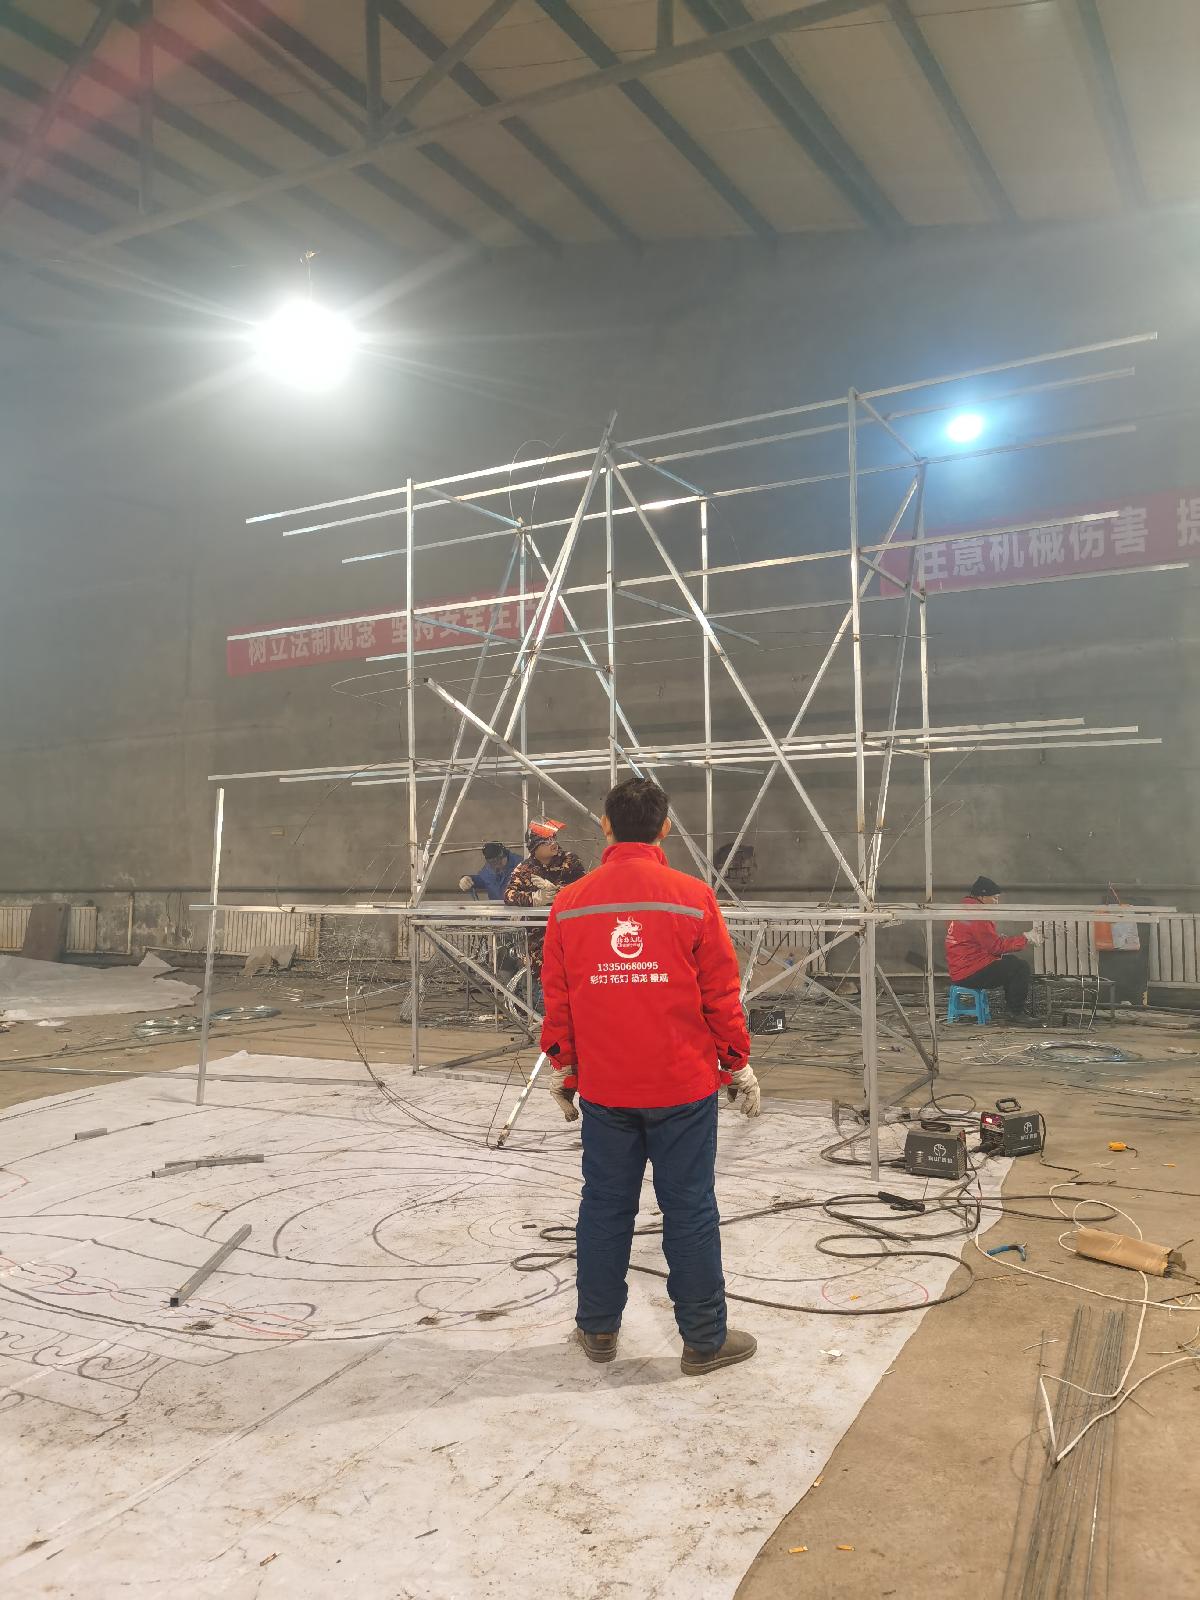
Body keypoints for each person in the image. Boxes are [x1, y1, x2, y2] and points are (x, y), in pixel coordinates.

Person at [539, 777, 761, 1377]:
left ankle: (598, 1330)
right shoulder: (692, 897)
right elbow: (720, 993)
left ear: (605, 826)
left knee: (604, 1207)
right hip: (681, 1086)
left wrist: (564, 1063)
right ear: (665, 828)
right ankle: (704, 1341)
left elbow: (559, 997)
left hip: (606, 1088)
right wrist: (735, 1060)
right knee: (689, 1209)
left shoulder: (570, 902)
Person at [945, 875, 1041, 1021]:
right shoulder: (978, 914)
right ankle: (1016, 1013)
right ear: (982, 896)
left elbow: (973, 940)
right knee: (1020, 967)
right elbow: (995, 947)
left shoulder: (963, 909)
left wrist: (998, 940)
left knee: (1010, 963)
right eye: (995, 898)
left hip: (959, 968)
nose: (997, 902)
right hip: (970, 972)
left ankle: (1013, 1010)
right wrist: (1025, 938)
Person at [503, 819, 586, 988]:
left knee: (576, 974)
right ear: (535, 847)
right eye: (547, 841)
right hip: (540, 936)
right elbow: (509, 894)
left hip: (570, 930)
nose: (553, 843)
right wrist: (535, 898)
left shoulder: (569, 861)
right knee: (546, 977)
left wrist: (558, 892)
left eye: (554, 838)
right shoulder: (525, 868)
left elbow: (586, 887)